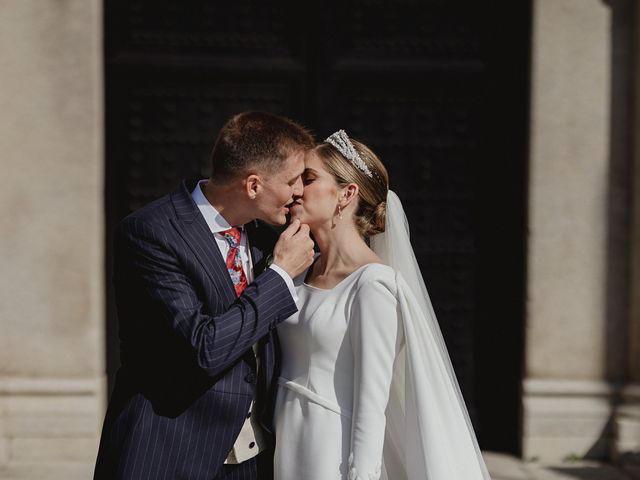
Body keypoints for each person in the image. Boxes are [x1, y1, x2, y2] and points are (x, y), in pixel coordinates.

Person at [94, 111, 316, 480]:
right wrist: (279, 276)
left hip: (252, 463)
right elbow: (203, 348)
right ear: (253, 185)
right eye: (293, 180)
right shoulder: (151, 233)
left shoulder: (270, 239)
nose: (299, 192)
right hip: (165, 452)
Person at [273, 130, 492, 479]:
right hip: (285, 441)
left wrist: (362, 474)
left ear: (346, 194)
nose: (295, 189)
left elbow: (371, 403)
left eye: (309, 178)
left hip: (329, 451)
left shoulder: (373, 285)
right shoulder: (296, 270)